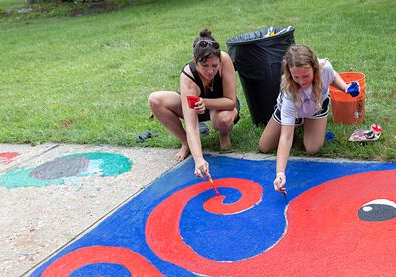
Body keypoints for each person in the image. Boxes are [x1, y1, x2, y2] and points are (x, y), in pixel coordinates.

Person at [258, 44, 359, 192]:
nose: (301, 81)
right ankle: (296, 122)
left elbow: (333, 76)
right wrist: (280, 174)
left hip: (315, 108)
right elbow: (286, 138)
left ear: (315, 68)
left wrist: (345, 87)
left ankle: (307, 124)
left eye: (305, 76)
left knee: (312, 148)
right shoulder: (289, 93)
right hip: (293, 111)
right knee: (264, 146)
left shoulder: (325, 67)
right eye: (296, 76)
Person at [148, 28, 240, 180]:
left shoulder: (224, 59)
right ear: (195, 60)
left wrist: (205, 102)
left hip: (221, 105)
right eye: (205, 66)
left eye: (214, 66)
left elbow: (230, 102)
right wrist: (199, 160)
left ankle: (224, 134)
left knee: (222, 119)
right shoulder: (188, 76)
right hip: (197, 107)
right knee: (155, 99)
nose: (210, 71)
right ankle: (187, 143)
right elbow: (192, 124)